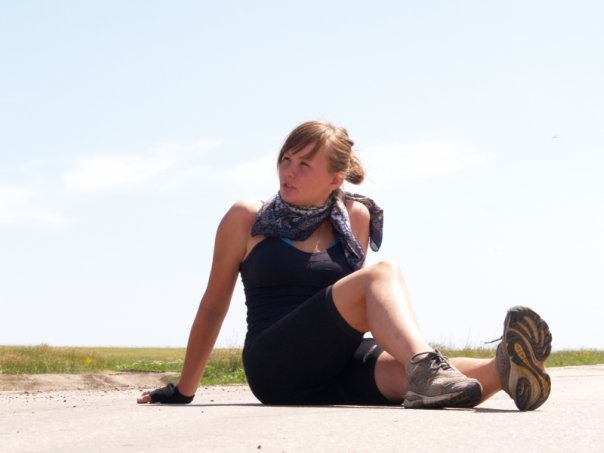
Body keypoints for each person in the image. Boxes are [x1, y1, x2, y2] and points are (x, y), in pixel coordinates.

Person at [137, 120, 552, 410]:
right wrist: (184, 390)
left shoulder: (355, 217)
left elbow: (361, 312)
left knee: (438, 384)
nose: (288, 172)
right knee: (383, 274)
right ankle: (426, 367)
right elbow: (214, 305)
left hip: (336, 359)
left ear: (335, 179)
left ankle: (504, 369)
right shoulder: (247, 217)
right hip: (276, 365)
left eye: (304, 165)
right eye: (286, 159)